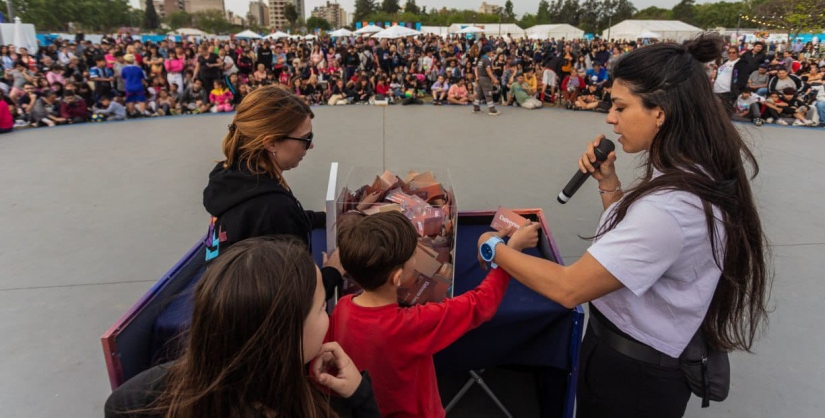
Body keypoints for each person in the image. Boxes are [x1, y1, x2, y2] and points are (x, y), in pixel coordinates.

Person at [477, 34, 770, 417]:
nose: (610, 118)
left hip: (632, 378)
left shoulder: (669, 208)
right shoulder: (690, 175)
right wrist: (609, 184)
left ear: (660, 112)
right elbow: (638, 249)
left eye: (620, 106)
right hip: (637, 360)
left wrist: (494, 248)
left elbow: (570, 288)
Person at [104, 236, 380, 418]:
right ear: (284, 335)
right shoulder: (323, 408)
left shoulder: (136, 399)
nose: (327, 316)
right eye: (321, 308)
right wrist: (359, 396)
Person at [328, 212, 537, 418]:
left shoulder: (342, 308)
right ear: (397, 277)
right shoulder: (410, 325)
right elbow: (481, 304)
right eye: (413, 254)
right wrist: (511, 252)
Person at [202, 85, 344, 298]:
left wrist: (329, 217)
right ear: (270, 143)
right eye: (306, 139)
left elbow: (275, 224)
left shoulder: (231, 179)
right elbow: (293, 298)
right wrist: (334, 272)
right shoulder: (271, 206)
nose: (311, 146)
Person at [472, 45, 500, 115]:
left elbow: (477, 69)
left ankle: (476, 107)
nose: (491, 53)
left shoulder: (480, 59)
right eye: (491, 52)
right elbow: (488, 70)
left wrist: (477, 77)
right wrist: (494, 79)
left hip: (480, 78)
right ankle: (492, 110)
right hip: (485, 79)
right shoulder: (486, 59)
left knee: (479, 94)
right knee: (488, 94)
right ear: (488, 52)